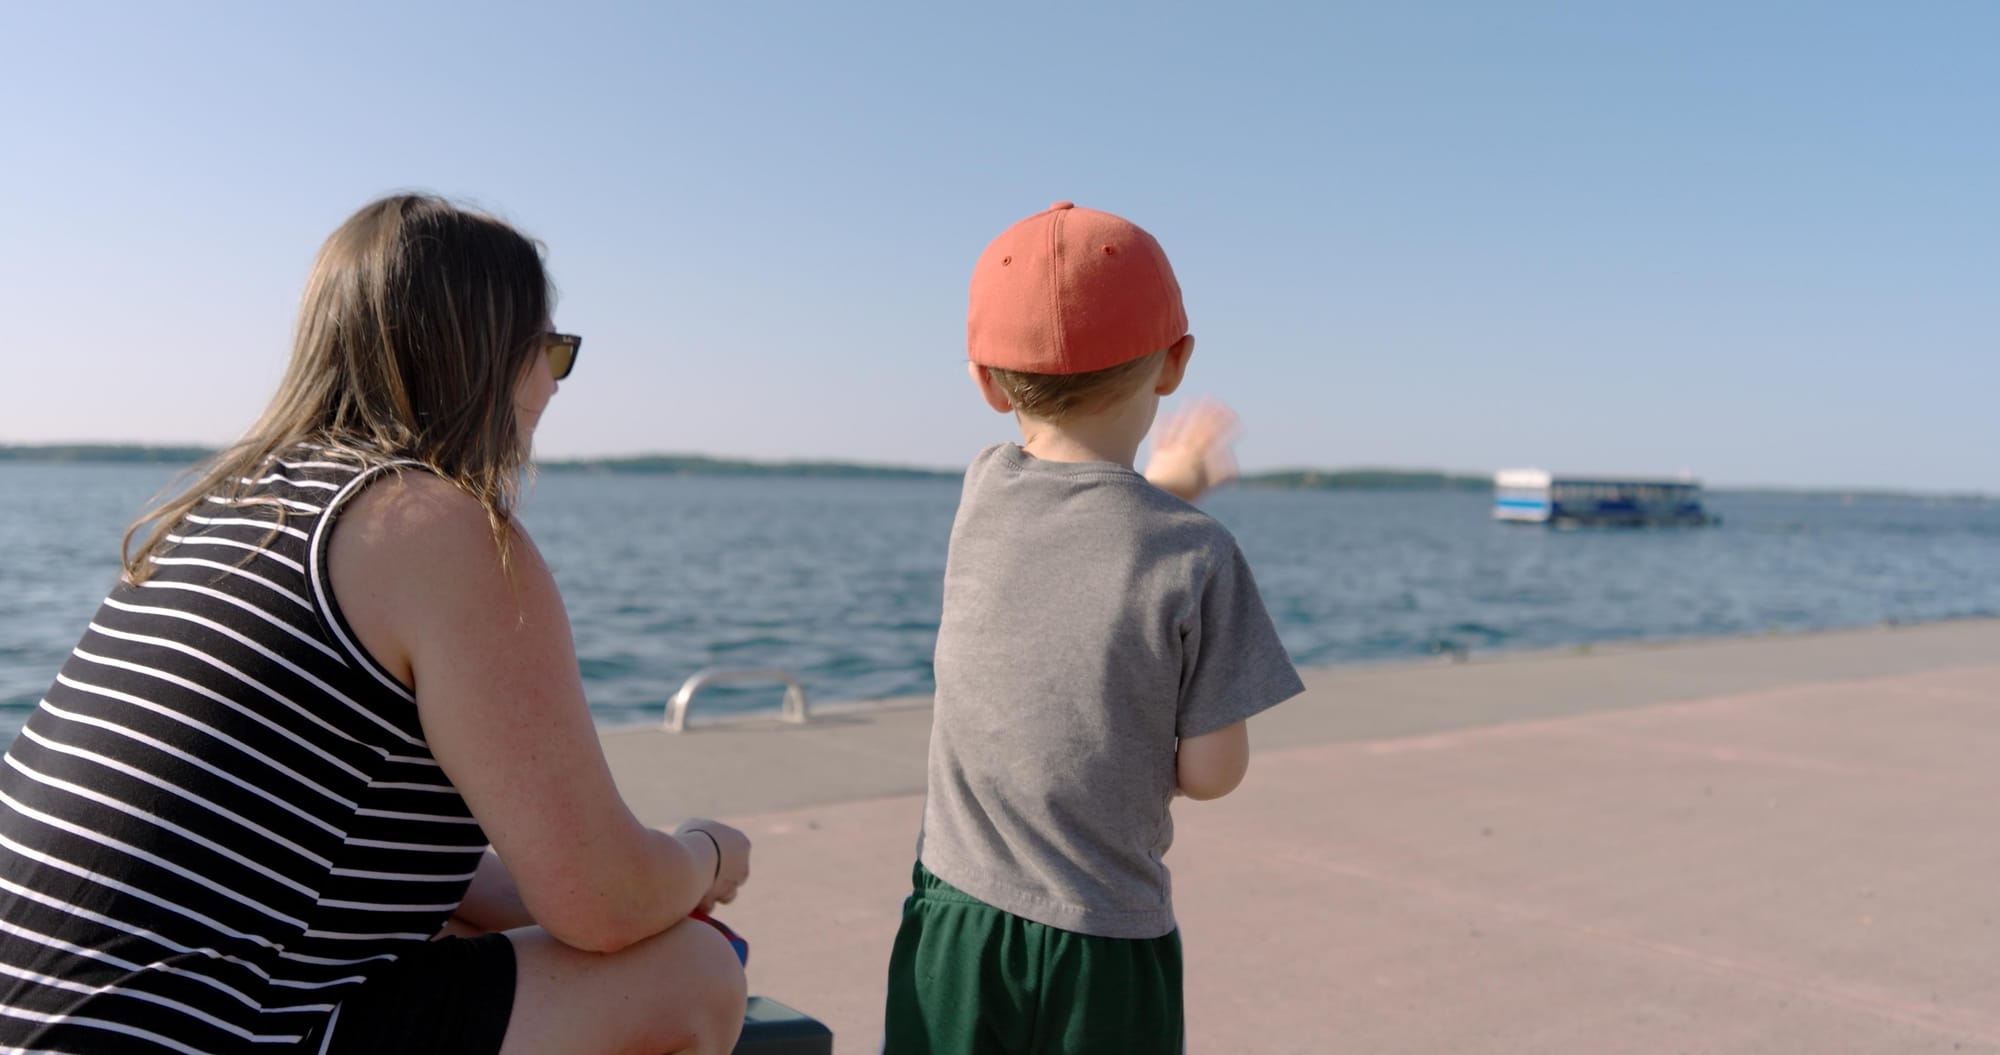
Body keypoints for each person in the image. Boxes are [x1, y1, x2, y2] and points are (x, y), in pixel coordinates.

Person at [0, 195, 751, 1054]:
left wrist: (567, 891)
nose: (550, 384)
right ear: (477, 353)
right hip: (187, 1034)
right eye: (546, 350)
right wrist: (705, 853)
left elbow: (339, 845)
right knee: (691, 971)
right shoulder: (436, 531)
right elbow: (605, 902)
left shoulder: (234, 513)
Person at [882, 202, 1306, 1053]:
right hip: (1105, 946)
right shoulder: (1198, 555)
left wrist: (1162, 486)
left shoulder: (981, 493)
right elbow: (1213, 770)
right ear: (1174, 363)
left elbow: (1079, 526)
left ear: (987, 382)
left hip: (955, 926)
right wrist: (1172, 488)